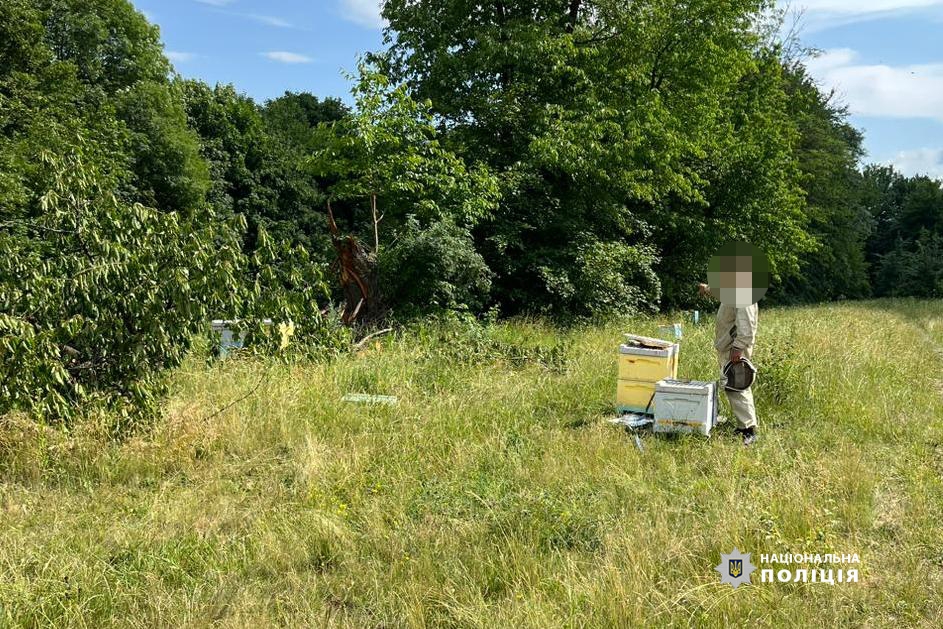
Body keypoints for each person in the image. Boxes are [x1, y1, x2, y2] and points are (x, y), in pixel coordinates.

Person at [698, 281, 759, 446]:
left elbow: (747, 326)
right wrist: (708, 290)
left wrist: (738, 348)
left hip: (735, 348)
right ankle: (743, 426)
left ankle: (748, 430)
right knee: (732, 385)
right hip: (729, 346)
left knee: (737, 385)